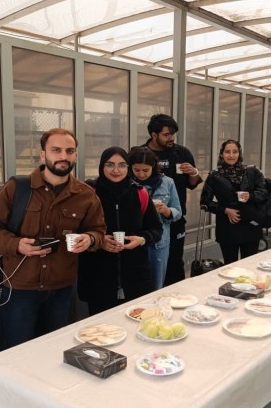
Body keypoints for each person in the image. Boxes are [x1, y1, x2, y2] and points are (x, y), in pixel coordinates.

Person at [0, 127, 106, 408]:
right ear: (42, 153)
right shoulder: (17, 189)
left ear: (76, 154)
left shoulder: (85, 195)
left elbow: (98, 232)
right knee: (13, 360)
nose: (63, 157)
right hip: (18, 290)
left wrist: (89, 240)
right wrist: (16, 244)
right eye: (57, 150)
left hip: (60, 291)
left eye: (69, 151)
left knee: (52, 358)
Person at [77, 147, 163, 315]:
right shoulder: (89, 193)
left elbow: (156, 229)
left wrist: (142, 239)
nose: (116, 170)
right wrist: (98, 241)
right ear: (102, 166)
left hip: (135, 276)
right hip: (99, 278)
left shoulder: (140, 193)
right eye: (110, 164)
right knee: (102, 325)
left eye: (122, 165)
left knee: (136, 323)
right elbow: (77, 229)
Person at [142, 114, 201, 285]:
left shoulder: (181, 153)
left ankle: (176, 296)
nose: (171, 138)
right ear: (154, 135)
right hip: (147, 222)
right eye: (166, 134)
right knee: (148, 265)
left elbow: (192, 184)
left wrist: (193, 173)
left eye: (173, 134)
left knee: (175, 263)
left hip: (175, 218)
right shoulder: (141, 153)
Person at [200, 139, 269, 264]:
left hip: (250, 225)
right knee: (230, 266)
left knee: (249, 265)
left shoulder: (252, 172)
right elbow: (205, 201)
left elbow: (264, 193)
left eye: (235, 152)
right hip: (227, 228)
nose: (231, 155)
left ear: (240, 153)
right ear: (222, 154)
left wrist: (250, 196)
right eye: (227, 152)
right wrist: (225, 210)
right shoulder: (214, 176)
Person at [127, 146, 182, 291]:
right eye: (136, 170)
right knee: (133, 286)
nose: (141, 174)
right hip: (133, 239)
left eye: (146, 170)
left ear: (153, 166)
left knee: (156, 285)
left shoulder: (167, 182)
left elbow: (178, 212)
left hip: (158, 243)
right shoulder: (127, 183)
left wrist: (166, 211)